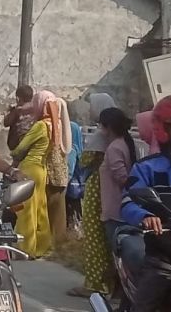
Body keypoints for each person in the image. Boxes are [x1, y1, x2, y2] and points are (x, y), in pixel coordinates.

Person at [121, 94, 171, 312]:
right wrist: (145, 217)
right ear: (165, 128)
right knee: (147, 303)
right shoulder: (146, 168)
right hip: (164, 255)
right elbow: (127, 202)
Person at [67, 125, 115, 298]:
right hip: (113, 194)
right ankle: (110, 282)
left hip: (97, 190)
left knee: (95, 238)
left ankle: (95, 284)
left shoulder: (100, 140)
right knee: (109, 240)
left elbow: (84, 160)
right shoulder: (122, 142)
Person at [97, 108, 144, 276]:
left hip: (115, 207)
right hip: (123, 206)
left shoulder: (114, 148)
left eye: (100, 125)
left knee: (118, 254)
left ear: (107, 127)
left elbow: (122, 177)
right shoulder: (126, 143)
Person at [11, 94, 54, 258]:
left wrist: (13, 154)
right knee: (41, 209)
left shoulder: (40, 126)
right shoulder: (53, 125)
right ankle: (42, 246)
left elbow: (20, 148)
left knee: (26, 210)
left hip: (29, 168)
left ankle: (25, 248)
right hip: (41, 170)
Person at [34, 91, 72, 248]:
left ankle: (53, 245)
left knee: (51, 211)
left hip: (50, 175)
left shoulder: (45, 126)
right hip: (60, 174)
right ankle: (58, 246)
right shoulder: (59, 125)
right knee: (58, 211)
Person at [4, 84, 35, 151]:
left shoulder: (17, 110)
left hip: (18, 147)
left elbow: (6, 123)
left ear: (18, 98)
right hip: (31, 146)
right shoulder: (35, 110)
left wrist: (8, 112)